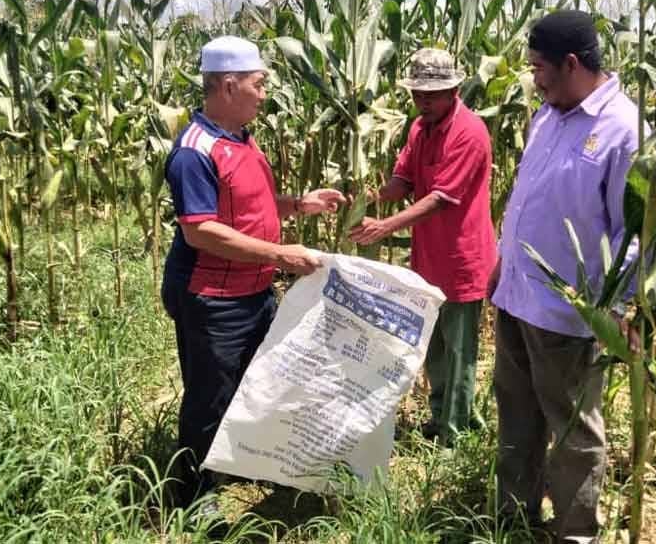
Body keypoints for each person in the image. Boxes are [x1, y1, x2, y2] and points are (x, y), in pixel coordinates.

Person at [161, 35, 345, 505]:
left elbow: (250, 207)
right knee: (210, 400)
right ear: (227, 86)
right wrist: (282, 256)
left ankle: (242, 464)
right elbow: (200, 232)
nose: (265, 94)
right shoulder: (194, 151)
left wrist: (299, 204)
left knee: (259, 384)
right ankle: (196, 500)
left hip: (254, 291)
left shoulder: (242, 140)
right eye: (259, 84)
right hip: (214, 300)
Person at [488, 10, 643, 543]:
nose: (534, 79)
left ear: (571, 64)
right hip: (515, 296)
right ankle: (513, 515)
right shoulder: (548, 115)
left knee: (573, 428)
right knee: (515, 411)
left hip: (568, 311)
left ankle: (575, 532)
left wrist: (618, 308)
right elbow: (528, 200)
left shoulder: (622, 129)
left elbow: (633, 231)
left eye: (539, 69)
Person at [349, 48, 497, 445]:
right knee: (433, 349)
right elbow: (405, 182)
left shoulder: (469, 132)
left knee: (460, 353)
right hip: (428, 260)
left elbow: (440, 199)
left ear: (455, 89)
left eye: (432, 94)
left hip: (462, 259)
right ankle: (439, 417)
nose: (422, 101)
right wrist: (367, 198)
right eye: (417, 93)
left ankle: (456, 432)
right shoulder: (419, 128)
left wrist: (384, 227)